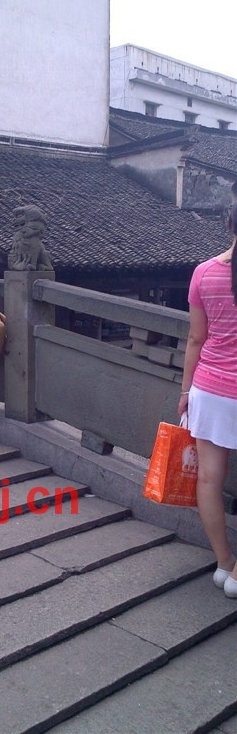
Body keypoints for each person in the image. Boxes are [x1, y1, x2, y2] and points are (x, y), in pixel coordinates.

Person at [178, 192, 237, 600]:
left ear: (229, 222)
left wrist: (185, 391)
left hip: (210, 389)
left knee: (209, 480)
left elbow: (196, 339)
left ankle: (224, 562)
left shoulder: (204, 272)